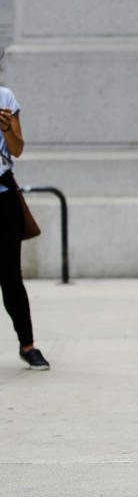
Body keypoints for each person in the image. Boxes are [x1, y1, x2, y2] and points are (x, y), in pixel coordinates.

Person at [0, 86, 49, 371]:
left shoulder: (5, 97)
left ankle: (27, 345)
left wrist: (7, 128)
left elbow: (16, 149)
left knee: (11, 277)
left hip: (4, 196)